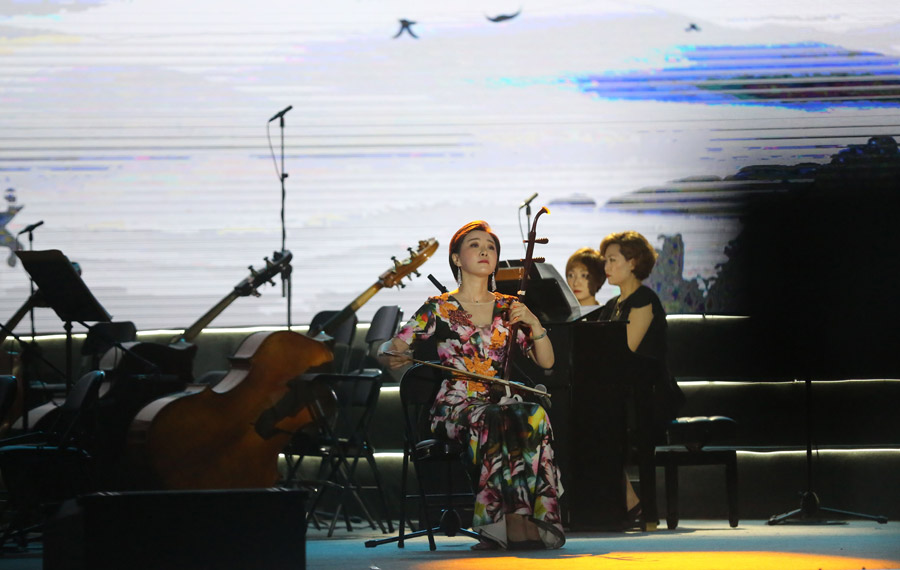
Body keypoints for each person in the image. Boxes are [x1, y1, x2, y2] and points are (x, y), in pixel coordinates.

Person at [379, 220, 565, 551]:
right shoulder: (439, 307)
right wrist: (391, 353)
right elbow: (392, 347)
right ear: (456, 258)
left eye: (491, 247)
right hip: (455, 406)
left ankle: (526, 520)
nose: (484, 251)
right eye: (474, 245)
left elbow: (547, 362)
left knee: (532, 414)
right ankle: (504, 525)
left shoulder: (509, 307)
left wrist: (534, 323)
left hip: (500, 404)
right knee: (498, 418)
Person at [597, 230, 685, 523]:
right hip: (627, 394)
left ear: (633, 262)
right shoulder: (611, 306)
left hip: (650, 397)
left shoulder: (645, 299)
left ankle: (633, 506)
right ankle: (618, 504)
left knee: (594, 423)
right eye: (605, 260)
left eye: (613, 259)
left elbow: (626, 350)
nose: (606, 266)